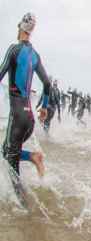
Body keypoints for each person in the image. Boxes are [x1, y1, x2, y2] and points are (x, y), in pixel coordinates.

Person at [0, 13, 49, 198]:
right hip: (29, 119)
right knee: (8, 153)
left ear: (20, 27)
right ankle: (33, 157)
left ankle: (25, 210)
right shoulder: (35, 55)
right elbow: (47, 84)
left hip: (18, 115)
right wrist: (44, 107)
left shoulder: (13, 49)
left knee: (10, 160)